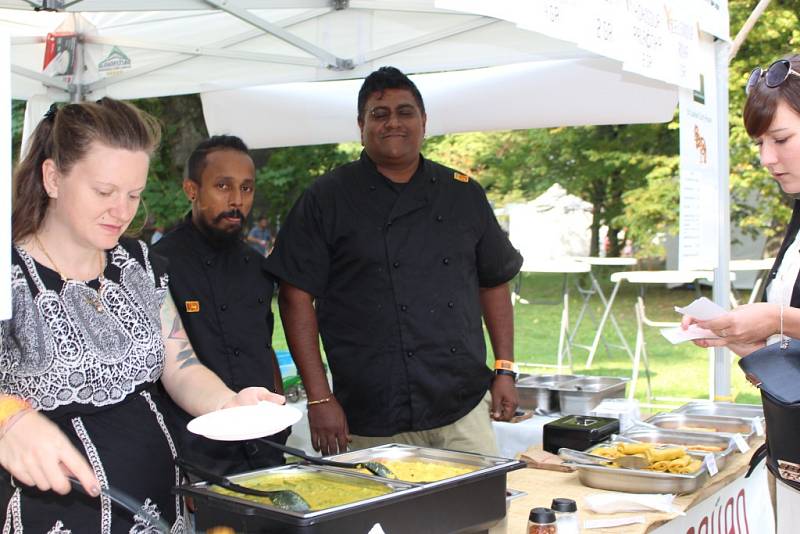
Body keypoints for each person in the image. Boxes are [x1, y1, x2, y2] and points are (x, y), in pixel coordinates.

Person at [0, 99, 284, 532]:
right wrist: (9, 420)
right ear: (53, 178)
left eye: (134, 194)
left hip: (156, 509)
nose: (123, 210)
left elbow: (182, 367)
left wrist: (230, 402)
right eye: (104, 192)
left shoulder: (138, 262)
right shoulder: (9, 272)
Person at [265, 66, 523, 456]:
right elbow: (294, 297)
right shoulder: (327, 197)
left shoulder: (463, 194)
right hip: (368, 413)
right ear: (361, 124)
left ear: (424, 121)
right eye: (379, 114)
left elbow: (494, 281)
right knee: (375, 520)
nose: (393, 123)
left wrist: (504, 368)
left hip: (461, 407)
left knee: (477, 515)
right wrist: (319, 399)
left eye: (405, 112)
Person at [681, 54, 800, 534]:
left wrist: (775, 319)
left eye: (781, 140)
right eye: (759, 144)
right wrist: (741, 337)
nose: (767, 159)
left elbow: (786, 320)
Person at [152, 135, 287, 474]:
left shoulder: (257, 266)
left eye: (246, 188)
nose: (237, 200)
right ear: (191, 190)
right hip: (196, 451)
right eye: (223, 186)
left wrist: (280, 419)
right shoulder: (158, 265)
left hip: (264, 445)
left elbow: (264, 350)